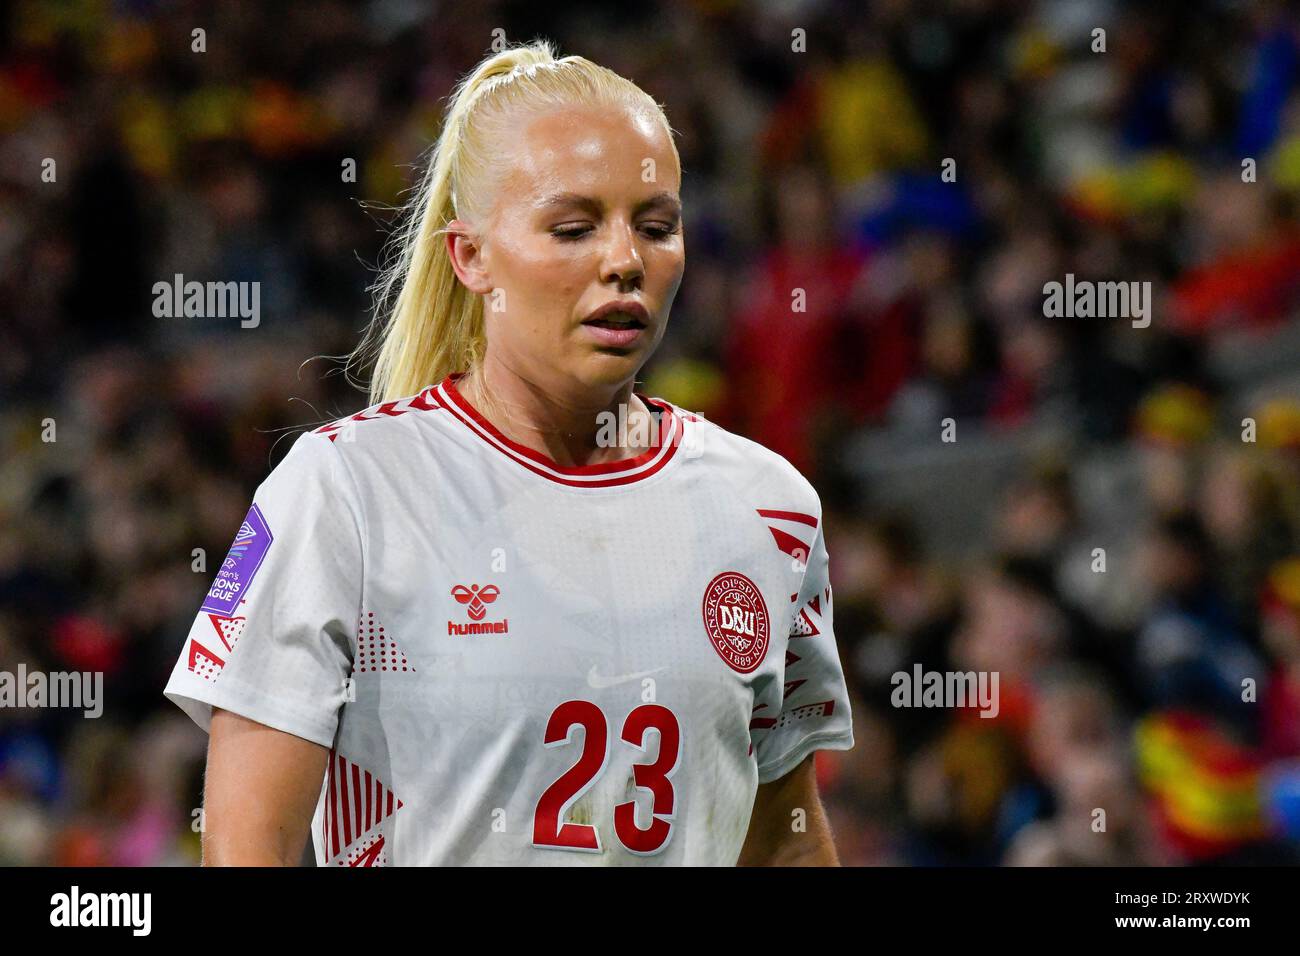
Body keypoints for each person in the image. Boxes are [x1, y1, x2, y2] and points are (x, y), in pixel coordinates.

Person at [163, 39, 854, 866]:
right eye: (572, 228)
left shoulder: (768, 507)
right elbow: (249, 846)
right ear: (472, 257)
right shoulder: (347, 492)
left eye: (657, 227)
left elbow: (784, 836)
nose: (625, 261)